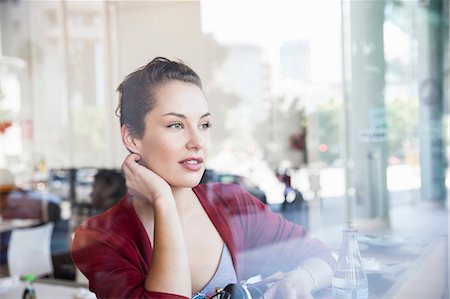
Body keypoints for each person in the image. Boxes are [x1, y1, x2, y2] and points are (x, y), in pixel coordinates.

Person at [71, 57, 335, 299]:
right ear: (132, 138)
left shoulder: (231, 203)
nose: (197, 142)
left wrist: (298, 281)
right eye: (176, 125)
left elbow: (320, 255)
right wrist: (163, 201)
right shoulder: (99, 238)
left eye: (204, 125)